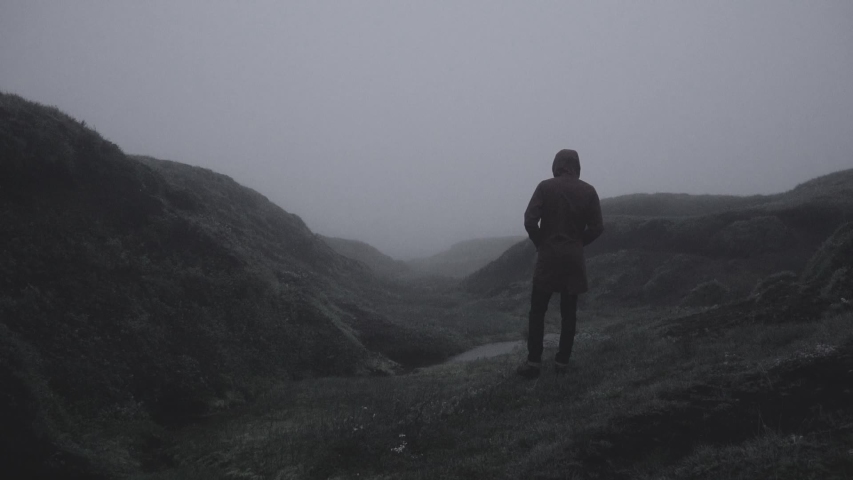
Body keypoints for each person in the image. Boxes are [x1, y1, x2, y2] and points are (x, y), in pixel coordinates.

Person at [517, 149, 604, 378]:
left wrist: (541, 243)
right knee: (569, 313)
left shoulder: (545, 187)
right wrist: (578, 244)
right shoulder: (589, 191)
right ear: (576, 166)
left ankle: (533, 363)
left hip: (548, 257)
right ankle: (562, 363)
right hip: (573, 259)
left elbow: (529, 221)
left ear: (556, 165)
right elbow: (597, 228)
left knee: (537, 311)